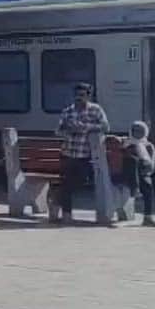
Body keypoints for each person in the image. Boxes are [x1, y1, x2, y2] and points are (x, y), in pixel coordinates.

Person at [53, 82, 110, 225]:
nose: (78, 98)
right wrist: (68, 129)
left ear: (88, 96)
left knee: (80, 181)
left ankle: (56, 201)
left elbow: (105, 126)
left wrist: (86, 127)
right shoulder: (68, 111)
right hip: (68, 153)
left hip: (85, 155)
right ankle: (66, 215)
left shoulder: (96, 110)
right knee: (66, 183)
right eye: (76, 95)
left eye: (82, 95)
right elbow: (58, 131)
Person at [122, 121, 155, 227]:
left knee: (148, 186)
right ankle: (135, 188)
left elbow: (151, 165)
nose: (137, 133)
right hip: (127, 173)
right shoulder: (126, 144)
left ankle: (148, 217)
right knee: (133, 161)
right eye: (135, 131)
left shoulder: (149, 146)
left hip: (143, 173)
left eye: (140, 131)